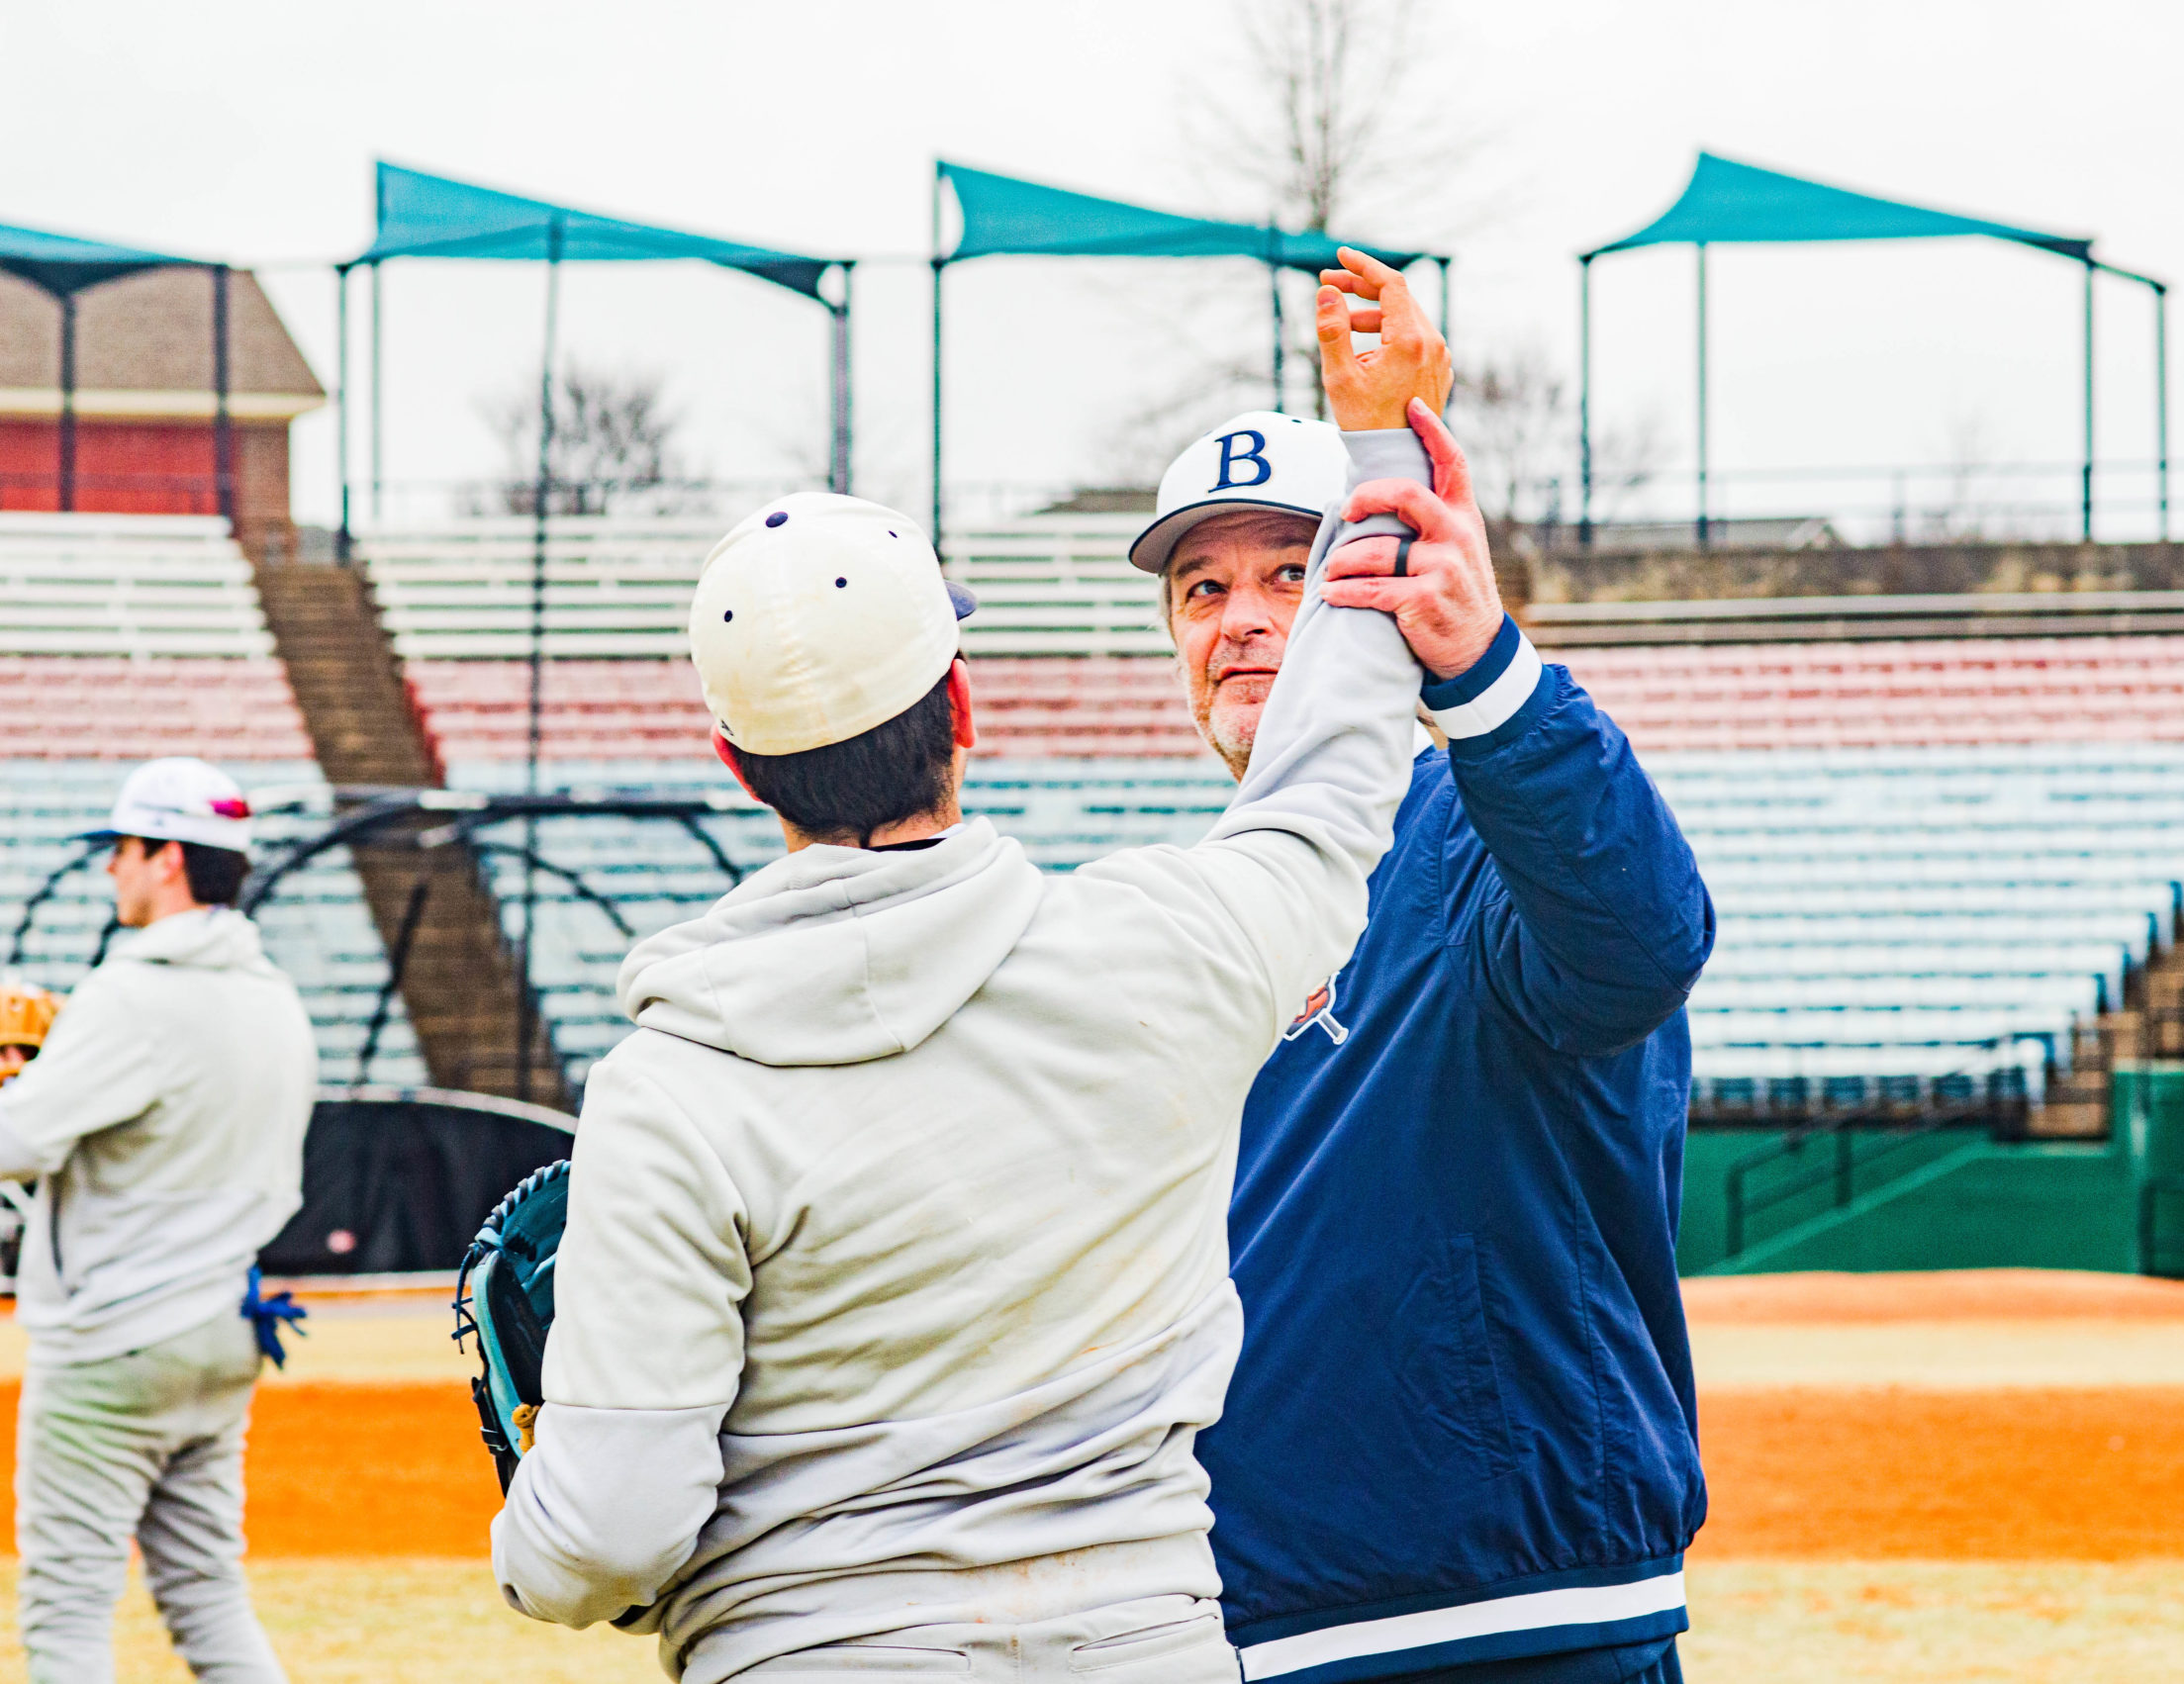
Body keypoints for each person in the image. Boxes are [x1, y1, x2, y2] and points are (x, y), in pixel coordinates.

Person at [486, 266, 1451, 1684]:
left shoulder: (672, 1089)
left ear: (739, 767)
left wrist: (537, 1536)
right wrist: (1382, 451)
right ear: (963, 703)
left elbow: (609, 1539)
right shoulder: (1171, 947)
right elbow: (1330, 777)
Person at [1134, 250, 1718, 1684]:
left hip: (1508, 1619)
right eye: (1202, 588)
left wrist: (1487, 671)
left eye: (1291, 570)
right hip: (1242, 1626)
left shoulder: (1479, 827)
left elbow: (1640, 940)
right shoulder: (1191, 910)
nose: (1243, 617)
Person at [0, 757, 318, 1683]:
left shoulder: (131, 993)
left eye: (122, 850)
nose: (111, 870)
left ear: (168, 857)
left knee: (66, 1616)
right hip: (224, 1321)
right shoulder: (275, 998)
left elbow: (15, 1145)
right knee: (208, 1593)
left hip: (117, 1337)